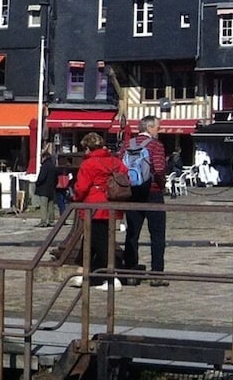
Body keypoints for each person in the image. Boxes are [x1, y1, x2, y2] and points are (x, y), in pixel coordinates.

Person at [71, 132, 127, 291]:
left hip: (94, 205)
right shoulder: (115, 161)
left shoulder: (88, 164)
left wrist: (75, 196)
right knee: (91, 238)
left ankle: (112, 278)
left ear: (88, 148)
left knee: (99, 241)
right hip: (112, 203)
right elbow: (125, 174)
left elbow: (81, 187)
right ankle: (82, 272)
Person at [121, 116, 170, 287]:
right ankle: (157, 273)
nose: (159, 130)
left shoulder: (128, 144)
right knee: (157, 234)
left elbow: (121, 167)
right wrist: (162, 184)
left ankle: (130, 273)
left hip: (132, 192)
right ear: (149, 128)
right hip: (153, 193)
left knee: (132, 234)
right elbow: (159, 168)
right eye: (157, 127)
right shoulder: (156, 146)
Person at [34, 143, 66, 227]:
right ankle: (51, 221)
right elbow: (56, 178)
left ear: (44, 157)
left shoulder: (45, 166)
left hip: (43, 189)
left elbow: (41, 177)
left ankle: (43, 221)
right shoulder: (53, 166)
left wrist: (37, 183)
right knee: (51, 205)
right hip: (51, 189)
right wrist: (54, 185)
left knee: (44, 206)